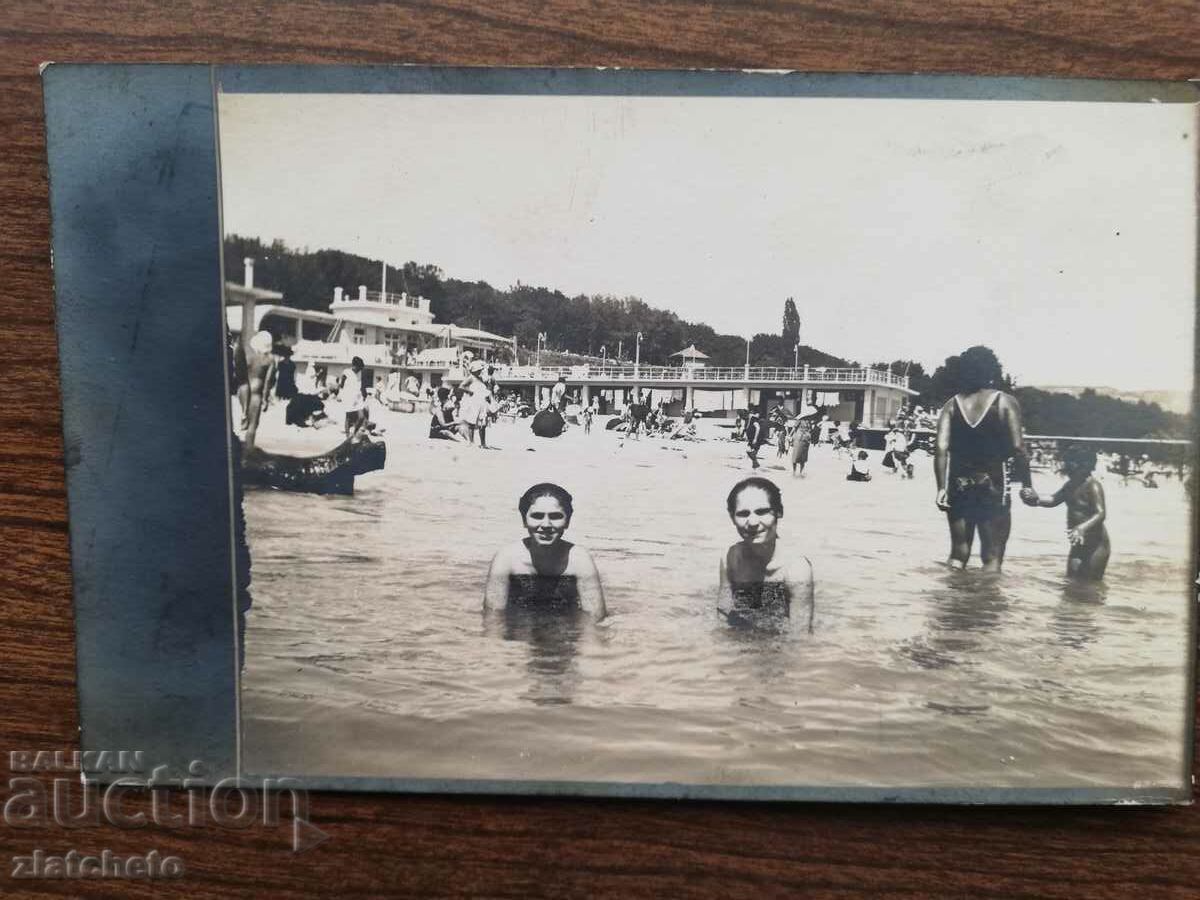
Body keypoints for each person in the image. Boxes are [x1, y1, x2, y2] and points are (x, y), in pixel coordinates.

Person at [934, 346, 1032, 572]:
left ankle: (952, 603)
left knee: (958, 553)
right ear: (992, 369)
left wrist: (941, 488)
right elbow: (1018, 448)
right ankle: (986, 606)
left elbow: (940, 448)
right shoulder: (1004, 401)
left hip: (958, 482)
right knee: (992, 556)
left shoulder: (951, 405)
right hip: (994, 481)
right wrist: (1027, 485)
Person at [484, 483, 605, 617]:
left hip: (566, 634)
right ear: (524, 520)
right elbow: (493, 620)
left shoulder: (579, 560)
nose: (546, 525)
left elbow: (595, 620)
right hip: (518, 632)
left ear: (567, 521)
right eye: (537, 516)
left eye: (555, 516)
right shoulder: (507, 558)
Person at [718, 477, 814, 624]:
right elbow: (722, 617)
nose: (753, 523)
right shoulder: (731, 558)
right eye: (743, 514)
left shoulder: (796, 569)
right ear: (732, 518)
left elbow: (799, 639)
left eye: (762, 512)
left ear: (779, 512)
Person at [1022, 445, 1109, 580]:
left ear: (1086, 465)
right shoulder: (1070, 485)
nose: (1068, 467)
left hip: (1096, 545)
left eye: (1072, 464)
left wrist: (1081, 528)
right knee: (1071, 581)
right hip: (1078, 543)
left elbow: (1101, 514)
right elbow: (1053, 500)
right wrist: (1036, 500)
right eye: (1067, 463)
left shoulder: (1093, 486)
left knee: (1091, 584)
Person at [458, 359, 492, 448]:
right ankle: (471, 442)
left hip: (482, 402)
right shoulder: (471, 377)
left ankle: (483, 443)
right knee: (471, 422)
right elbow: (461, 386)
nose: (480, 371)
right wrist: (470, 391)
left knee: (483, 423)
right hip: (473, 402)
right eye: (479, 370)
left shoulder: (481, 378)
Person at [340, 357, 369, 437]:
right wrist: (341, 395)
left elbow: (362, 385)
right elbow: (341, 385)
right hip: (348, 396)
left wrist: (364, 394)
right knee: (348, 417)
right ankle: (347, 436)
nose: (359, 369)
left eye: (360, 368)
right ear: (353, 366)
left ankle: (354, 433)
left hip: (358, 397)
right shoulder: (346, 372)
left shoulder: (360, 372)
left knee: (361, 417)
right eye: (358, 367)